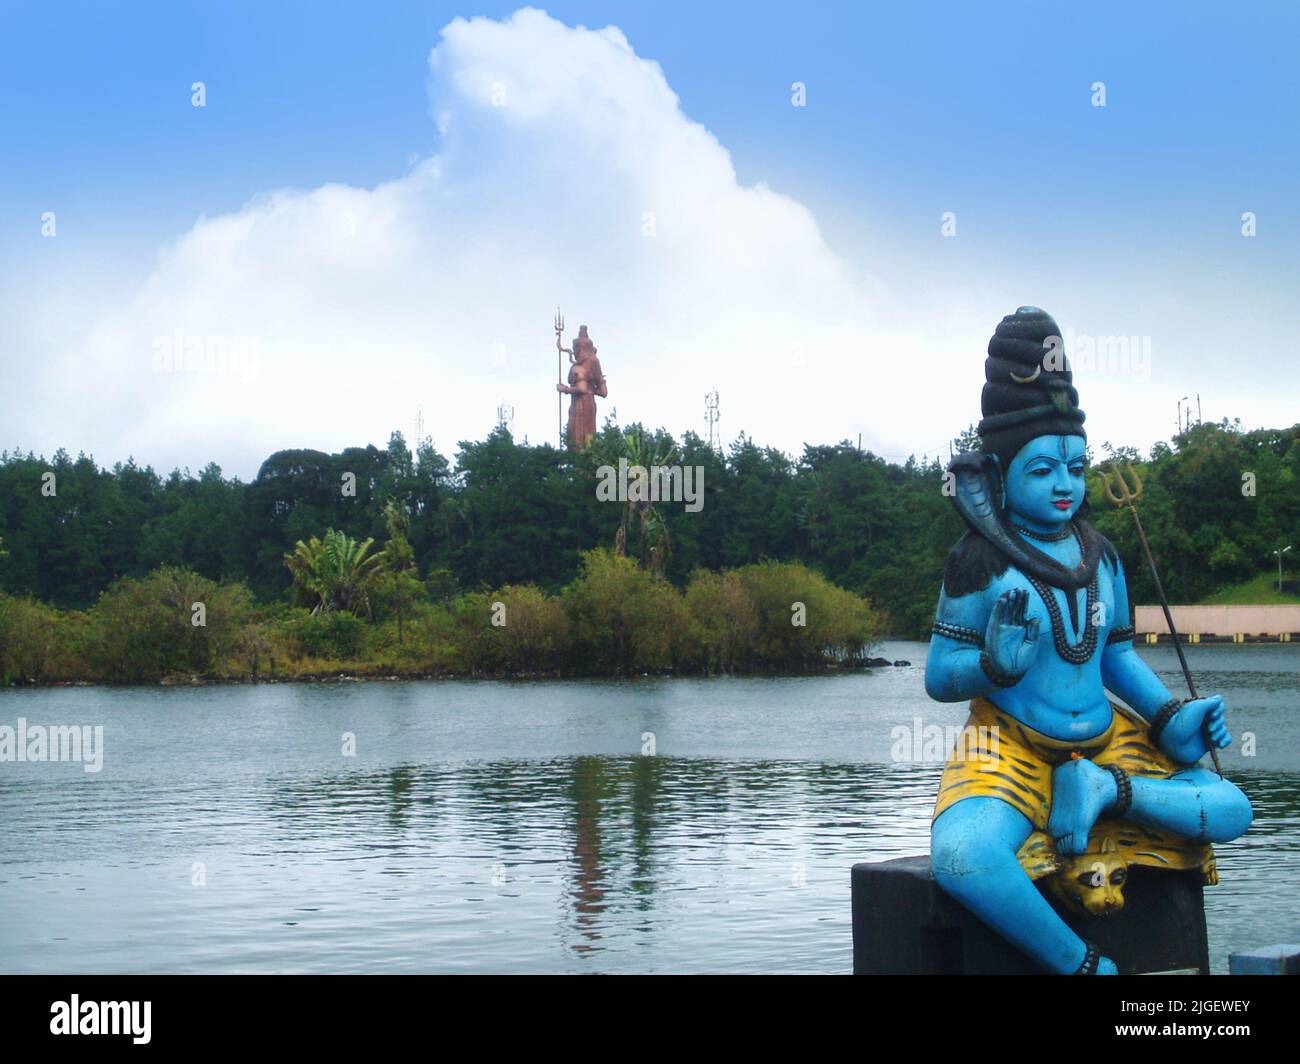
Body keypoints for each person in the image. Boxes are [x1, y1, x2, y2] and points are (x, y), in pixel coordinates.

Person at [925, 306, 1252, 975]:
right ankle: (1082, 966)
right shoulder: (979, 561)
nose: (1066, 485)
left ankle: (1106, 791)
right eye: (1043, 470)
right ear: (998, 473)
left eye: (1075, 467)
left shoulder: (1099, 556)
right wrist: (990, 665)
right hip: (1012, 748)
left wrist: (1169, 718)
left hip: (1107, 744)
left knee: (1231, 807)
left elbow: (1117, 657)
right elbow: (939, 674)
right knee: (963, 854)